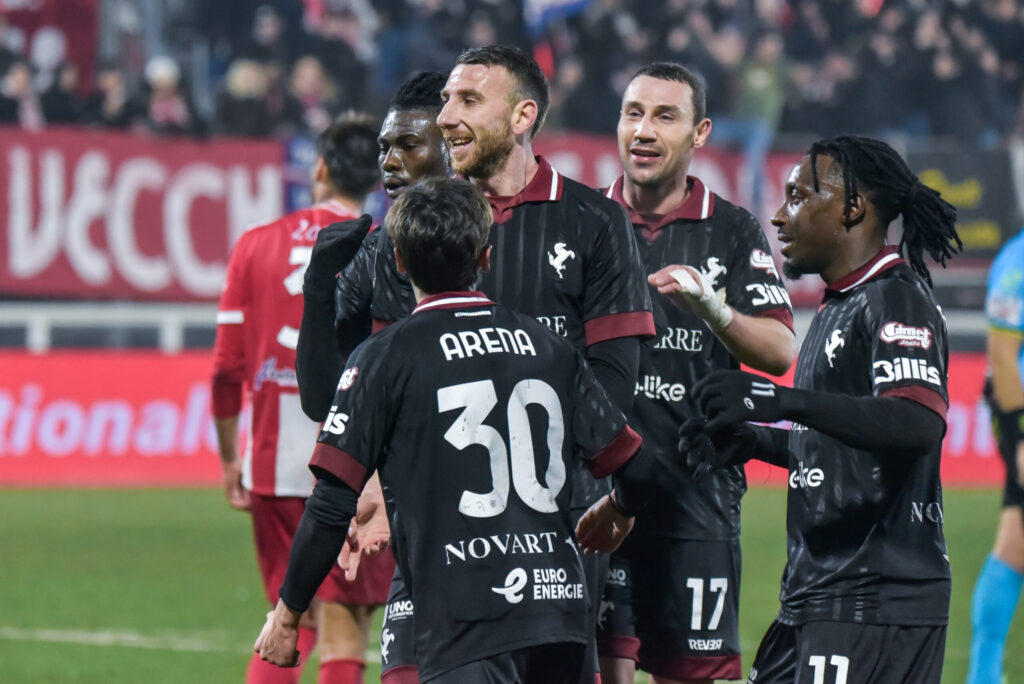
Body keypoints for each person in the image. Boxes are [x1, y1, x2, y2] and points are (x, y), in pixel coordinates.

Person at [298, 45, 655, 684]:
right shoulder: (412, 231)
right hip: (434, 536)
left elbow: (614, 386)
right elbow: (339, 394)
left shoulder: (595, 222)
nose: (445, 118)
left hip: (556, 533)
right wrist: (318, 293)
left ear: (521, 116)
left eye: (467, 101)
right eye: (445, 102)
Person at [681, 135, 960, 682]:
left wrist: (780, 400)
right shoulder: (841, 305)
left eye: (798, 197)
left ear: (852, 207)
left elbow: (917, 423)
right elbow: (848, 449)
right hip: (817, 595)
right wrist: (757, 440)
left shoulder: (895, 298)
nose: (779, 216)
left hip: (874, 603)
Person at [597, 62, 796, 684]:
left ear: (700, 132)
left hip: (695, 499)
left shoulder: (732, 229)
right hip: (595, 496)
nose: (644, 130)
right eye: (634, 113)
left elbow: (779, 350)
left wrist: (715, 310)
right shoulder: (585, 220)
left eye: (665, 116)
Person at [212, 112, 395, 684]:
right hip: (352, 464)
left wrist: (230, 459)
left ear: (318, 169)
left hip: (273, 462)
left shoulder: (255, 244)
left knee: (289, 619)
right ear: (376, 177)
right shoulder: (382, 246)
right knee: (346, 630)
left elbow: (226, 369)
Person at [967, 224, 1024, 684]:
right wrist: (1020, 437)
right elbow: (1002, 355)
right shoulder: (1017, 261)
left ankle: (983, 674)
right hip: (1021, 413)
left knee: (1015, 543)